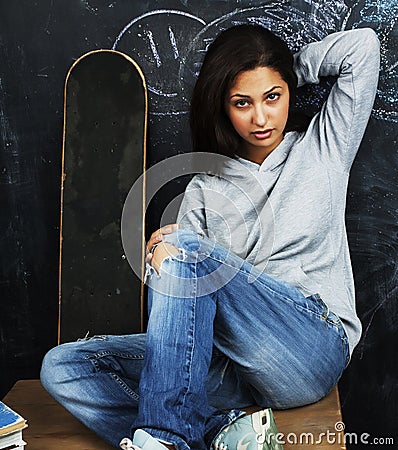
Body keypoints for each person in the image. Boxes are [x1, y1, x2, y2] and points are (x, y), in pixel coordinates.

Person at [40, 24, 380, 450]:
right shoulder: (205, 188)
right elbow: (187, 303)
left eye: (272, 97)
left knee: (183, 245)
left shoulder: (323, 148)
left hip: (310, 349)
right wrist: (163, 262)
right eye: (243, 102)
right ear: (223, 106)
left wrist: (286, 69)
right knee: (64, 365)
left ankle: (166, 438)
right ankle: (221, 431)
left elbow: (362, 48)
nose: (261, 117)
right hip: (235, 369)